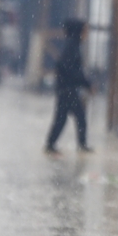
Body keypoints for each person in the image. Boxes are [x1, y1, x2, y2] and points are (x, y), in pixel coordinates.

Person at [44, 19, 93, 154]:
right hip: (67, 89)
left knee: (62, 118)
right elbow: (70, 69)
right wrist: (86, 84)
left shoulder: (73, 45)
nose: (87, 34)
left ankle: (50, 144)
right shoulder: (72, 46)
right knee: (78, 116)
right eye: (85, 31)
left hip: (65, 88)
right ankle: (80, 145)